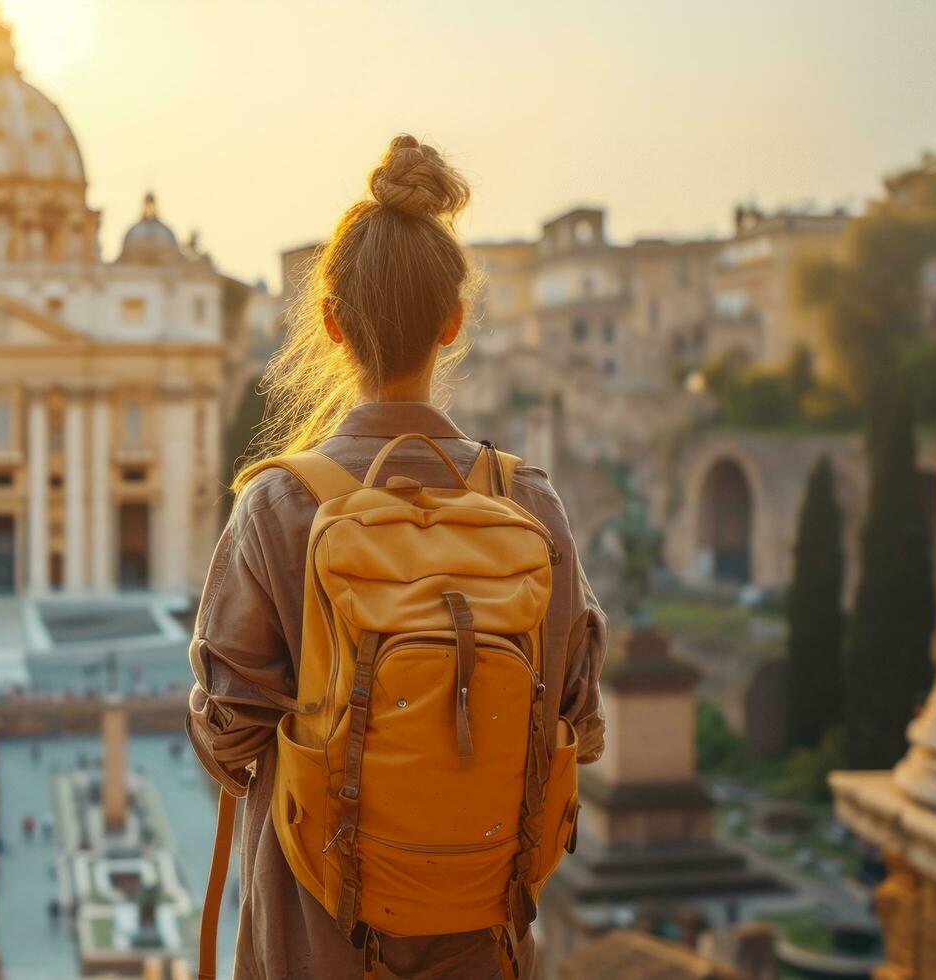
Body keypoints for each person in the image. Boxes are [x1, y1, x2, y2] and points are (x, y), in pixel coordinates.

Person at [186, 135, 608, 980]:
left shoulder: (276, 506)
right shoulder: (529, 503)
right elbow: (580, 724)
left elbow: (228, 736)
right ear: (453, 323)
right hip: (482, 941)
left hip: (316, 937)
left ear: (332, 322)